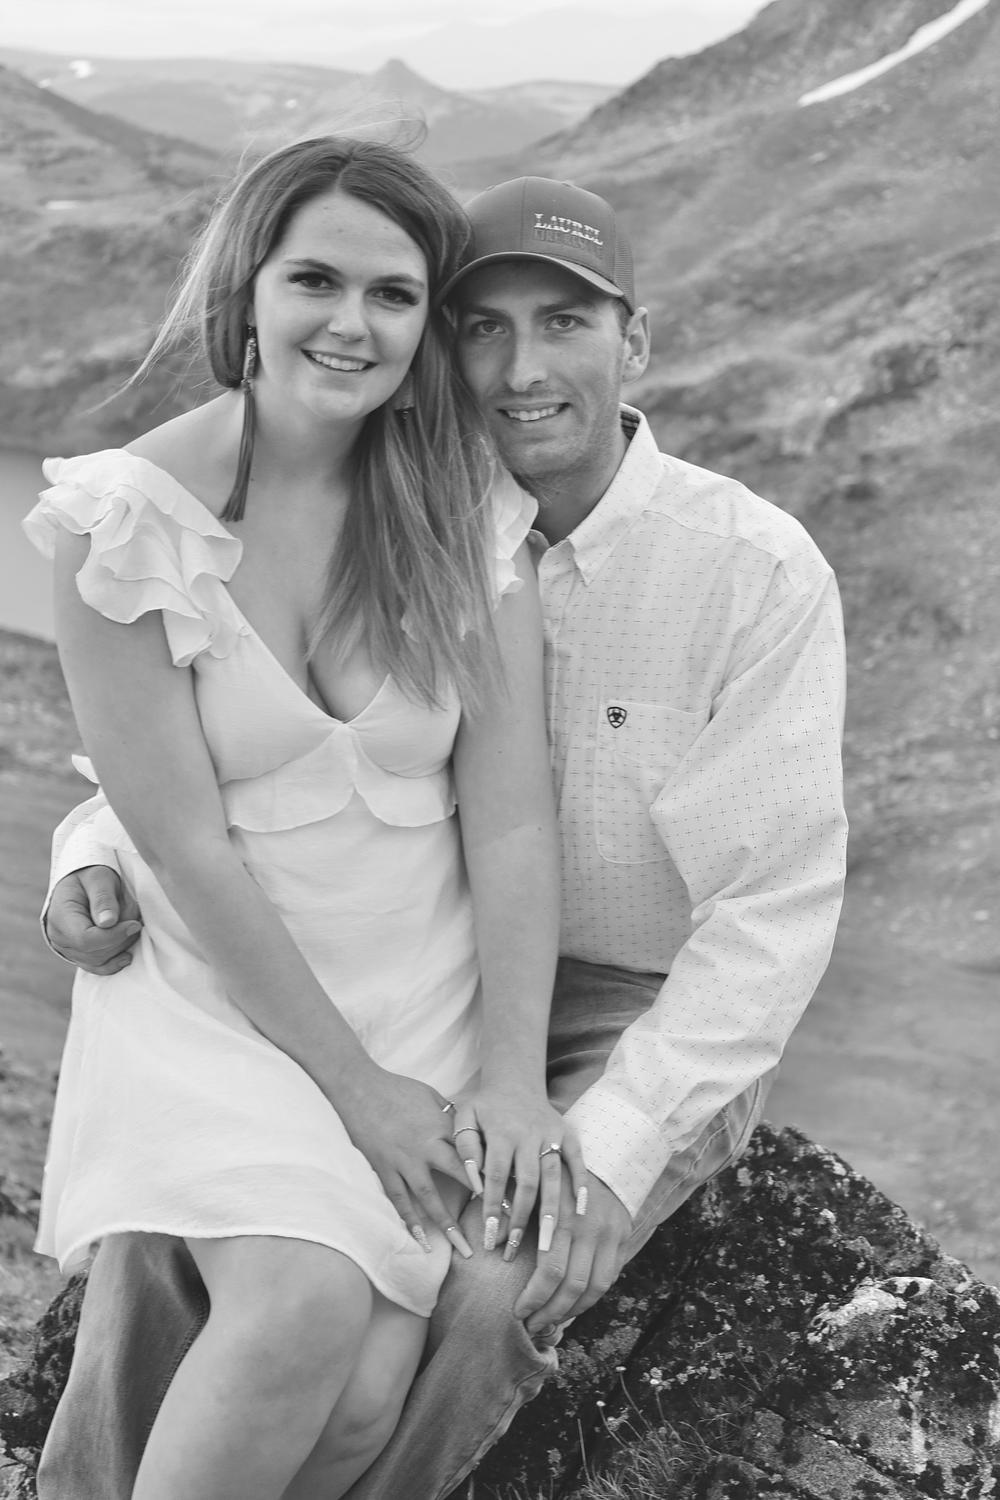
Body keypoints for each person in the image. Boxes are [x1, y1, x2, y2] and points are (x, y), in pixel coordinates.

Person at [38, 176, 848, 1500]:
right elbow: (245, 773)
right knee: (174, 1248)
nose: (521, 370)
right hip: (408, 965)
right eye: (482, 327)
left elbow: (774, 911)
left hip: (625, 1004)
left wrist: (618, 1139)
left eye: (565, 323)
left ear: (635, 342)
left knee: (487, 1284)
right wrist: (90, 844)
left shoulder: (745, 571)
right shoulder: (402, 501)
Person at [22, 144, 583, 1500]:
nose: (351, 323)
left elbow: (512, 823)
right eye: (315, 280)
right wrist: (362, 1098)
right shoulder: (120, 524)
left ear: (427, 321)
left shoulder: (464, 513)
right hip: (219, 996)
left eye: (394, 294)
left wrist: (509, 1078)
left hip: (418, 995)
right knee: (300, 1306)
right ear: (249, 289)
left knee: (360, 1407)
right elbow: (181, 841)